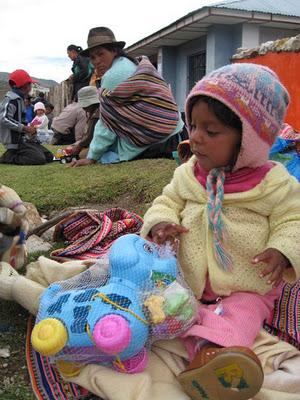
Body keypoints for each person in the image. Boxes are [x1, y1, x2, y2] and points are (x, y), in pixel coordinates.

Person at [2, 64, 300, 400]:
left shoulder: (276, 185)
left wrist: (283, 250)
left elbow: (294, 220)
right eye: (193, 125)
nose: (196, 137)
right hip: (184, 274)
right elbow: (167, 200)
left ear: (251, 139)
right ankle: (114, 323)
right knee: (146, 295)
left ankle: (210, 357)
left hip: (245, 282)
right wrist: (159, 223)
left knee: (242, 317)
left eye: (211, 131)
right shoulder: (190, 173)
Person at [71, 27, 186, 168]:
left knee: (98, 155)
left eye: (101, 54)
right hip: (174, 130)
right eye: (93, 57)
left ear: (114, 50)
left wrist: (92, 156)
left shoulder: (113, 75)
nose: (96, 61)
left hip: (161, 140)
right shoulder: (129, 63)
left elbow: (107, 123)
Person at [0, 69, 53, 165]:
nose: (31, 87)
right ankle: (10, 156)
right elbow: (3, 118)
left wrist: (29, 131)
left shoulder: (20, 100)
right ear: (24, 86)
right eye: (30, 84)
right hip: (15, 141)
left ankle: (19, 152)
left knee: (49, 157)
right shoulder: (11, 100)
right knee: (38, 159)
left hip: (23, 138)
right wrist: (24, 128)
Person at [67, 85, 100, 158]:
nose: (83, 108)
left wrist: (79, 146)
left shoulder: (97, 114)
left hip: (104, 144)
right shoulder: (94, 112)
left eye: (85, 105)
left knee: (82, 154)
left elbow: (89, 136)